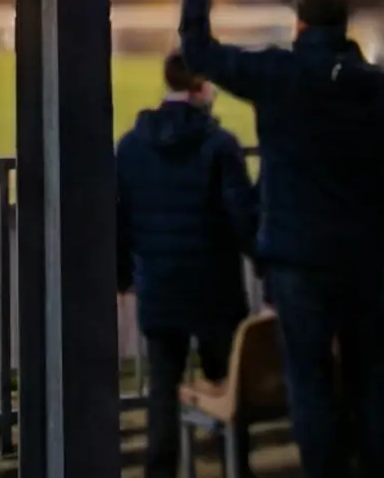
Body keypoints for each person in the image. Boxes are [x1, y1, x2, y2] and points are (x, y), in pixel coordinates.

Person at [181, 0, 384, 478]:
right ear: (344, 25)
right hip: (361, 252)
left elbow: (199, 53)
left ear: (300, 26)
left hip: (297, 255)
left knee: (308, 380)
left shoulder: (278, 74)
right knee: (370, 375)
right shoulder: (380, 89)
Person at [115, 53, 259, 478]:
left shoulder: (130, 145)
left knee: (162, 390)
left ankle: (160, 472)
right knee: (228, 387)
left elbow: (119, 218)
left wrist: (122, 275)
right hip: (216, 289)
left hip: (159, 286)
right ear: (202, 86)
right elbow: (242, 218)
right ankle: (235, 466)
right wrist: (268, 263)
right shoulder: (221, 145)